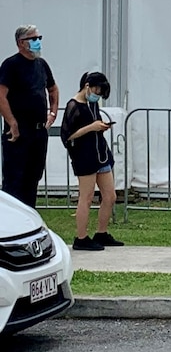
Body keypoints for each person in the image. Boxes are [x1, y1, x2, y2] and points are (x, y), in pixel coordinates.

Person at [60, 72, 123, 251]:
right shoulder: (73, 106)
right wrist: (91, 127)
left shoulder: (93, 104)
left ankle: (101, 233)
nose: (98, 94)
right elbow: (67, 136)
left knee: (110, 196)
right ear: (87, 86)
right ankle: (81, 237)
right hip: (84, 156)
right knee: (86, 197)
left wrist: (100, 127)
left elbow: (94, 124)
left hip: (100, 153)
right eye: (97, 90)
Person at [0, 25, 59, 208]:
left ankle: (30, 216)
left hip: (38, 131)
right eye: (33, 39)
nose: (37, 42)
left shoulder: (41, 64)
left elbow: (53, 89)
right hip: (18, 132)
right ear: (21, 43)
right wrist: (12, 122)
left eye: (39, 38)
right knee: (15, 179)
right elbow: (1, 95)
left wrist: (52, 112)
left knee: (33, 177)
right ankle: (12, 223)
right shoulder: (11, 65)